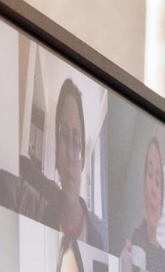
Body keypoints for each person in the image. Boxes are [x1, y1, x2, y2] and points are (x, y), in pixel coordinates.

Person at [20, 77, 106, 250]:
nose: (70, 156)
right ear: (57, 151)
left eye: (76, 142)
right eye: (64, 136)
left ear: (82, 159)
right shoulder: (42, 222)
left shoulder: (101, 235)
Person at [119, 135, 165, 272]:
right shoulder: (136, 240)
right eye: (150, 175)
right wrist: (120, 270)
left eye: (158, 182)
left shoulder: (164, 259)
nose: (153, 191)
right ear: (144, 184)